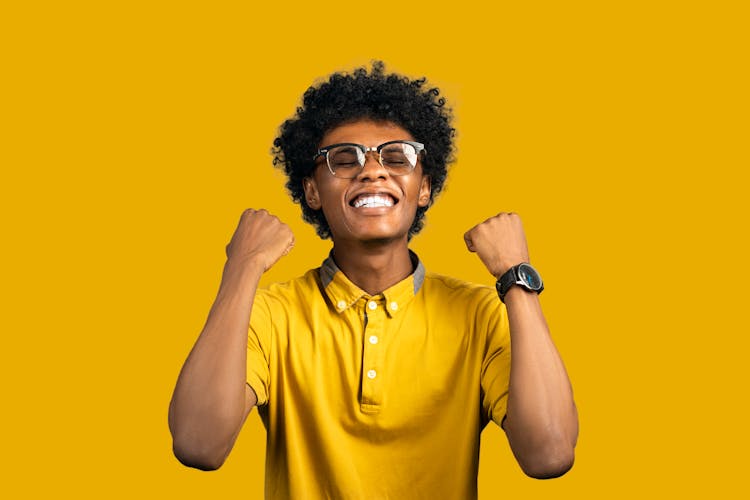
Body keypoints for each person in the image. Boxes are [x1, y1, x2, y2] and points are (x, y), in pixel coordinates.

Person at [168, 61, 578, 498]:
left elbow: (549, 455)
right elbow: (198, 444)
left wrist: (516, 278)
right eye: (344, 159)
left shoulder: (480, 313)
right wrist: (242, 267)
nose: (373, 171)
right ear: (311, 191)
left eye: (397, 156)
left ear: (424, 188)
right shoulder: (270, 315)